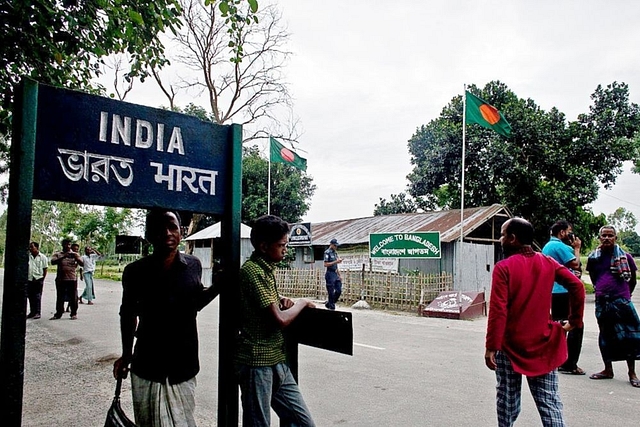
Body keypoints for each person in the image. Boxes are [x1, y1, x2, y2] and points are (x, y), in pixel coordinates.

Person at [113, 209, 219, 426]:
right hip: (148, 364)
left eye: (172, 227)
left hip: (184, 363)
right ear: (149, 234)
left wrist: (218, 286)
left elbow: (194, 304)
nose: (167, 233)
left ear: (181, 232)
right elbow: (128, 315)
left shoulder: (193, 265)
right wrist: (126, 355)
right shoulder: (135, 271)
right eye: (159, 228)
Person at [485, 218, 585, 427]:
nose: (500, 239)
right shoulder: (547, 262)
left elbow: (498, 310)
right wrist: (575, 320)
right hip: (542, 343)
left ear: (513, 239)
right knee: (549, 403)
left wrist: (491, 346)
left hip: (508, 346)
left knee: (507, 400)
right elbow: (577, 285)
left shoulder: (503, 268)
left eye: (503, 235)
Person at [236, 214, 316, 427]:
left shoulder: (265, 269)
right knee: (258, 423)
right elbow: (279, 320)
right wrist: (301, 303)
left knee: (303, 422)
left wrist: (280, 299)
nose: (285, 249)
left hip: (276, 358)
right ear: (263, 246)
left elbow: (264, 303)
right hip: (257, 362)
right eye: (281, 245)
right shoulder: (253, 271)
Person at [586, 225, 640, 388]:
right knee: (605, 335)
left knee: (630, 335)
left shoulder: (626, 257)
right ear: (599, 238)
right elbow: (594, 277)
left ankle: (632, 373)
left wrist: (624, 295)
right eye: (604, 235)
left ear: (615, 238)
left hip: (621, 300)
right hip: (602, 301)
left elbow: (632, 280)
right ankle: (608, 369)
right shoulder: (593, 257)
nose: (607, 238)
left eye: (610, 235)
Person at [541, 220, 585, 375]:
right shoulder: (559, 246)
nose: (570, 234)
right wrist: (577, 249)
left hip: (553, 290)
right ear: (562, 232)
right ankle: (569, 363)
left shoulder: (547, 246)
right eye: (569, 231)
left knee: (559, 325)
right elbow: (576, 264)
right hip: (563, 290)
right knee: (575, 324)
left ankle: (556, 358)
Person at [50, 239, 83, 320]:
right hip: (61, 279)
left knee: (73, 297)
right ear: (62, 245)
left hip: (72, 279)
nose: (67, 246)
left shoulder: (75, 254)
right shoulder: (58, 254)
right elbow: (53, 262)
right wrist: (63, 256)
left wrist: (76, 257)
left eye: (69, 245)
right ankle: (58, 313)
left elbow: (82, 263)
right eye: (66, 245)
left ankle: (73, 313)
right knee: (60, 297)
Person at [27, 241, 49, 320]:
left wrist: (42, 279)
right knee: (30, 296)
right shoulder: (28, 257)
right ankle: (32, 312)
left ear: (37, 247)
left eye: (32, 247)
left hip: (38, 279)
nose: (30, 249)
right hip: (29, 279)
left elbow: (45, 269)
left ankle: (37, 312)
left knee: (37, 296)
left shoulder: (43, 257)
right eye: (30, 247)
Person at [323, 238, 343, 310]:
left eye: (336, 246)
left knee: (338, 290)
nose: (336, 247)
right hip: (329, 273)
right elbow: (325, 264)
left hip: (335, 273)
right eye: (335, 245)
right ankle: (332, 308)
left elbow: (336, 266)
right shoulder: (327, 252)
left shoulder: (335, 253)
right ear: (331, 245)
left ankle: (329, 303)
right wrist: (336, 262)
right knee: (331, 292)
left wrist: (339, 275)